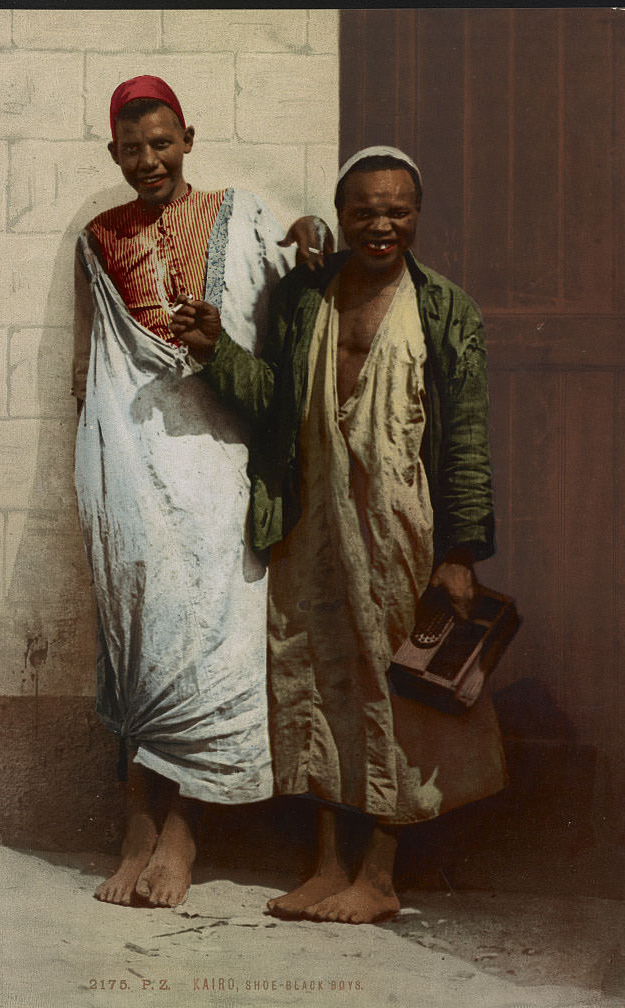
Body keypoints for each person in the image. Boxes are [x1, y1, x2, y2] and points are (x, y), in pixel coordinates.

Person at [170, 146, 508, 924]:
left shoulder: (447, 309)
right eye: (364, 210)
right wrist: (215, 348)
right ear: (342, 211)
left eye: (397, 210)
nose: (380, 224)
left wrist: (459, 554)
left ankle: (380, 876)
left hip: (400, 526)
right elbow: (273, 400)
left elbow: (465, 439)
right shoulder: (304, 298)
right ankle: (326, 866)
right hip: (312, 516)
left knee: (398, 689)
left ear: (416, 216)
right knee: (317, 679)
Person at [72, 74, 332, 910]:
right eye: (132, 148)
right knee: (143, 632)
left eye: (162, 143)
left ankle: (182, 831)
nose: (149, 160)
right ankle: (136, 825)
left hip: (219, 462)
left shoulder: (240, 210)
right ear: (114, 152)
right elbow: (98, 364)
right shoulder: (98, 236)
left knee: (208, 635)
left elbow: (299, 265)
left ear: (188, 137)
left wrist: (309, 228)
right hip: (134, 461)